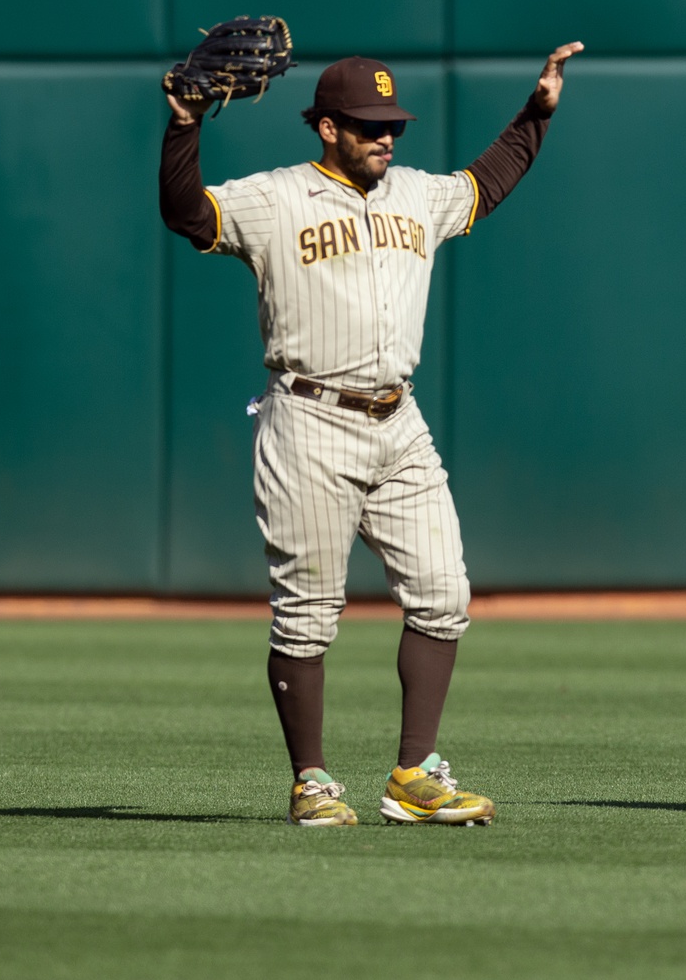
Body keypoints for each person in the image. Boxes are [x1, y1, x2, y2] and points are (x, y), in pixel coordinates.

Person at [159, 43, 582, 826]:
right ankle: (311, 781)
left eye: (391, 123)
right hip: (309, 419)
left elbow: (485, 185)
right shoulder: (275, 198)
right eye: (365, 125)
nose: (385, 137)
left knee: (443, 595)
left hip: (399, 422)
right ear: (324, 126)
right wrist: (182, 125)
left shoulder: (416, 195)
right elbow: (186, 214)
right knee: (308, 613)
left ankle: (414, 774)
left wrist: (536, 113)